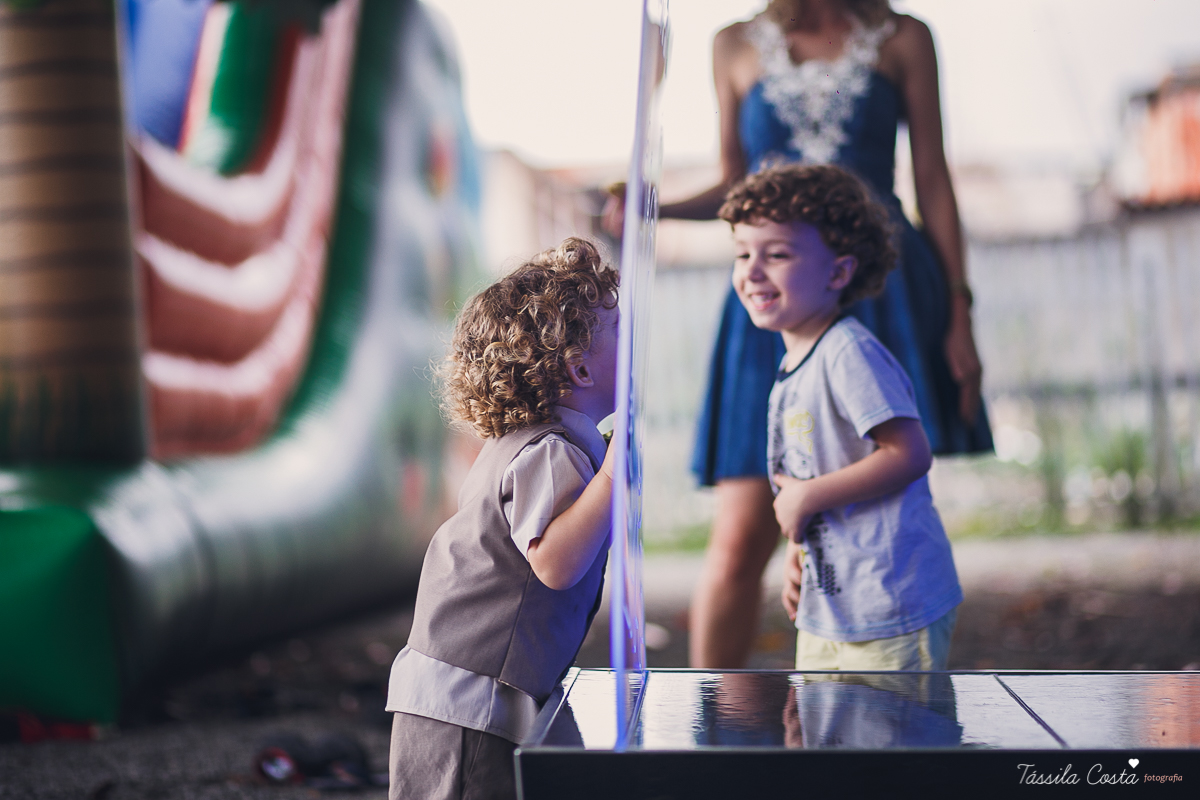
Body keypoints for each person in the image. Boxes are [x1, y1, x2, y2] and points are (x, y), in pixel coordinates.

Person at [660, 0, 990, 668]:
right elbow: (735, 183)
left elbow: (932, 175)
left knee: (876, 504)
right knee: (738, 534)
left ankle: (880, 681)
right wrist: (648, 208)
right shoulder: (733, 43)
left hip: (883, 285)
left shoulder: (903, 37)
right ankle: (705, 745)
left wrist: (960, 308)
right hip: (773, 307)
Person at [386, 237, 618, 800]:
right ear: (580, 366)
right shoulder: (547, 452)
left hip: (468, 689)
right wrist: (619, 473)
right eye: (621, 332)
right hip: (470, 700)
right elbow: (558, 563)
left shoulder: (528, 443)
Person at [724, 162, 961, 671]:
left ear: (838, 271)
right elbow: (821, 467)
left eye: (778, 253)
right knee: (829, 740)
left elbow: (909, 453)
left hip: (890, 603)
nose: (752, 270)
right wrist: (800, 551)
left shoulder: (847, 352)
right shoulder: (794, 360)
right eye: (743, 253)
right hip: (834, 601)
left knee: (892, 741)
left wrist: (806, 497)